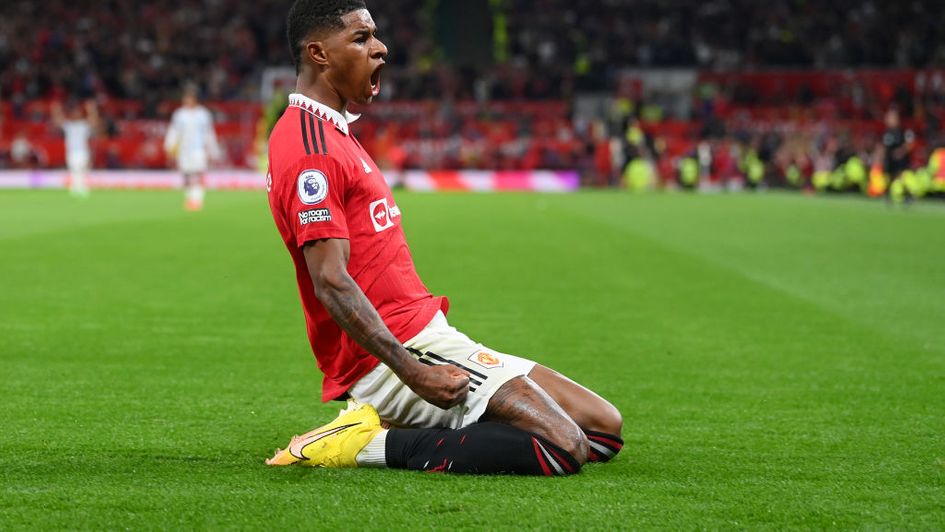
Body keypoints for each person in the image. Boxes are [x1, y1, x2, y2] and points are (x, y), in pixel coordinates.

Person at [264, 0, 623, 476]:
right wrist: (411, 373)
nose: (380, 48)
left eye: (374, 35)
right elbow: (330, 281)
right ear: (318, 53)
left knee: (602, 428)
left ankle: (410, 420)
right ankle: (369, 443)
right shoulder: (311, 148)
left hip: (425, 333)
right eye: (360, 38)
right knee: (561, 447)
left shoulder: (335, 131)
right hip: (392, 353)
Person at [164, 85, 220, 211]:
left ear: (195, 99)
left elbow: (208, 133)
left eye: (189, 98)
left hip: (198, 149)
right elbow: (174, 131)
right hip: (184, 150)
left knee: (198, 173)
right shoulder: (179, 115)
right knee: (187, 175)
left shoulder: (203, 114)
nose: (187, 101)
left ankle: (197, 199)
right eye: (185, 98)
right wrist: (169, 146)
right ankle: (190, 198)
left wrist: (213, 150)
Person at [51, 100, 98, 197]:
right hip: (72, 152)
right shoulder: (69, 125)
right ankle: (75, 188)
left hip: (83, 151)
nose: (76, 114)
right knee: (74, 171)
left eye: (78, 113)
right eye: (74, 113)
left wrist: (91, 110)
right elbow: (58, 122)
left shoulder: (84, 125)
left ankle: (82, 188)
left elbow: (94, 122)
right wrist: (56, 110)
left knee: (83, 170)